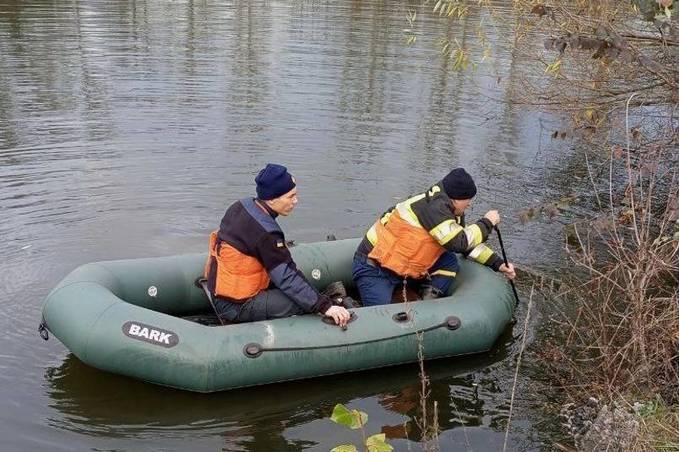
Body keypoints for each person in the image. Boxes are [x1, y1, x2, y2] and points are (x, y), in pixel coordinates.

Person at [204, 163, 351, 326]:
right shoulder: (266, 233)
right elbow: (287, 277)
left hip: (219, 291)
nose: (296, 201)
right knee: (302, 302)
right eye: (290, 196)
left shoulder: (241, 206)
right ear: (272, 199)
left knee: (302, 291)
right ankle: (335, 303)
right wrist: (325, 307)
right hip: (236, 306)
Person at [352, 167, 516, 306]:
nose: (469, 204)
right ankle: (350, 303)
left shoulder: (450, 210)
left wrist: (498, 264)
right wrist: (487, 222)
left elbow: (467, 246)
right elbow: (459, 243)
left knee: (449, 261)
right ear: (456, 198)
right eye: (468, 199)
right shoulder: (434, 209)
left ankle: (427, 305)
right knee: (382, 318)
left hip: (402, 266)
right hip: (375, 267)